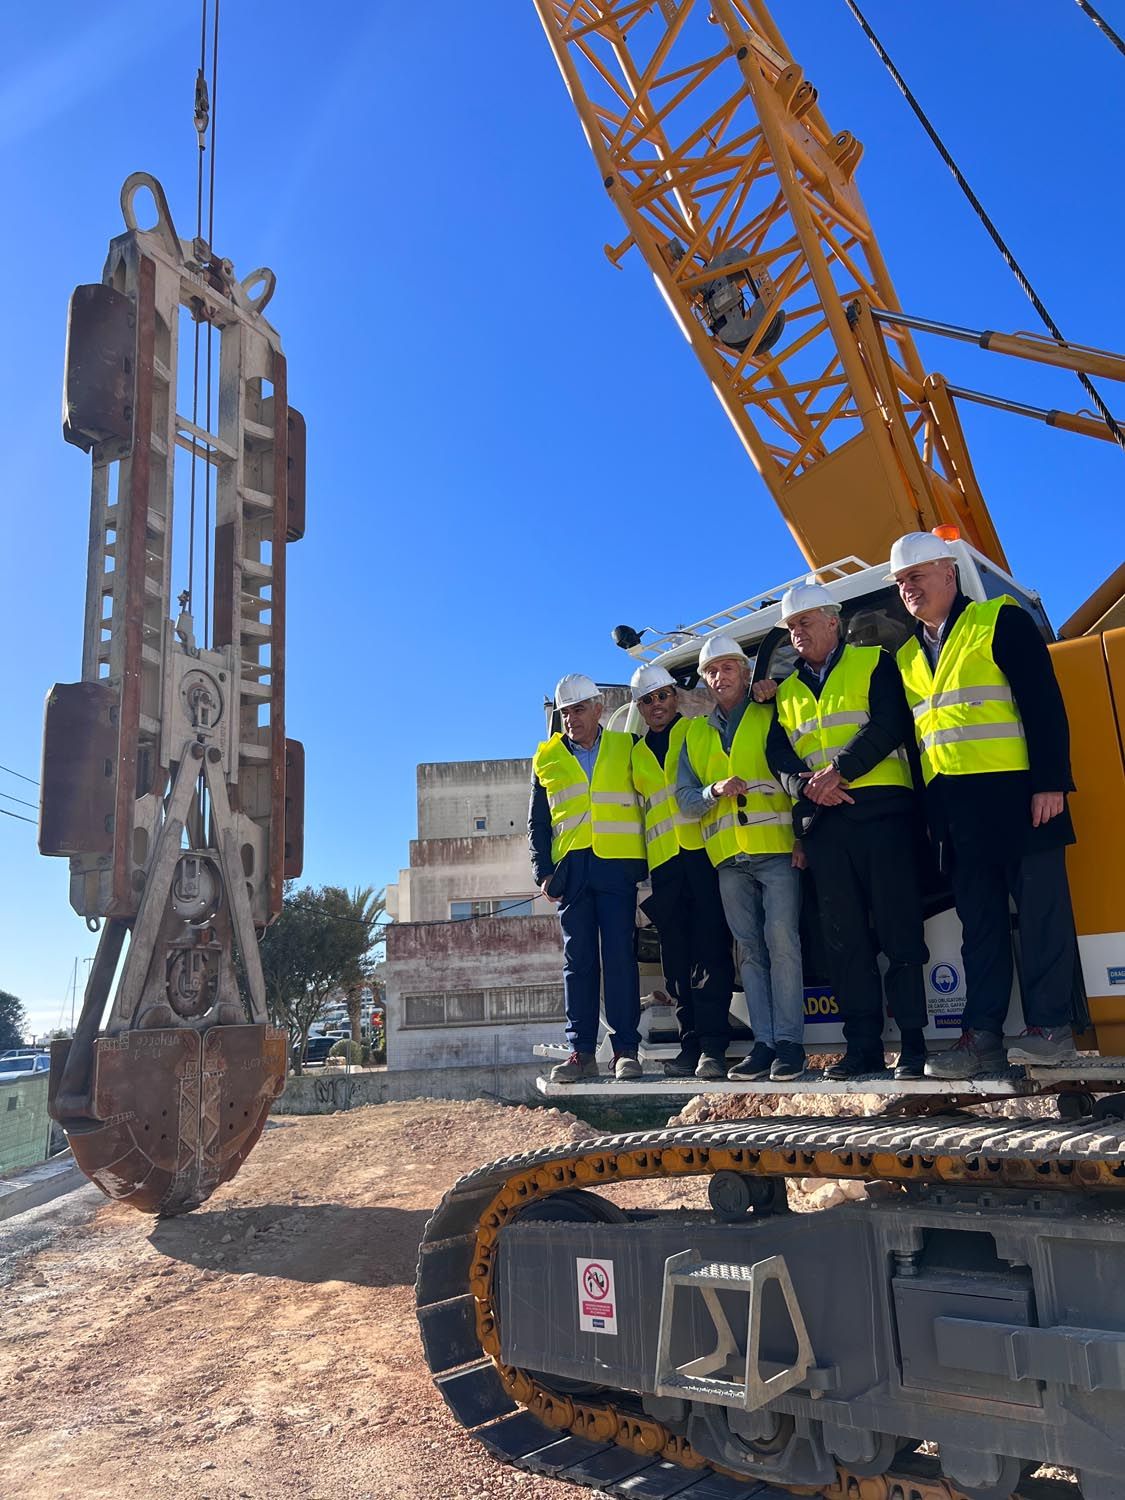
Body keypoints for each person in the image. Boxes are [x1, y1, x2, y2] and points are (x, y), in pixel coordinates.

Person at [888, 531, 1081, 1078]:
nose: (908, 589)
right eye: (902, 582)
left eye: (916, 577)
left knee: (1043, 916)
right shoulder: (905, 656)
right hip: (958, 814)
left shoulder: (999, 620)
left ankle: (1050, 1027)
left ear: (948, 573)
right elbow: (921, 744)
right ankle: (983, 1037)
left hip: (1023, 799)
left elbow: (1044, 704)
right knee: (981, 929)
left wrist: (1050, 783)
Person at [767, 582, 929, 1080]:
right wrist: (806, 786)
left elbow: (890, 724)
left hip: (880, 812)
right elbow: (779, 755)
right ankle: (862, 1048)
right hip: (826, 825)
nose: (797, 633)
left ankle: (915, 1045)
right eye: (791, 627)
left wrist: (840, 770)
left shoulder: (873, 662)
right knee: (845, 941)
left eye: (805, 622)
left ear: (833, 621)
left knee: (899, 932)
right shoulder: (787, 691)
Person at [675, 635, 806, 1082]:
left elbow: (798, 759)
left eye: (728, 667)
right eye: (712, 671)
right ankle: (765, 1044)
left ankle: (790, 1043)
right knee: (750, 953)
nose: (720, 676)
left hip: (775, 849)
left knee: (783, 944)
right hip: (729, 859)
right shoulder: (695, 733)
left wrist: (802, 838)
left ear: (746, 673)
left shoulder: (772, 708)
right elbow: (686, 801)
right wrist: (714, 791)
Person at [529, 674, 647, 1083]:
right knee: (577, 962)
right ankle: (581, 1052)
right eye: (565, 713)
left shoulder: (627, 746)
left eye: (579, 710)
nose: (571, 719)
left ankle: (625, 1051)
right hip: (572, 872)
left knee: (619, 957)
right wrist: (542, 872)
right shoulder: (545, 757)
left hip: (616, 865)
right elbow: (538, 822)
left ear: (599, 709)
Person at [629, 664, 736, 1080]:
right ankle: (689, 1042)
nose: (656, 705)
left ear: (675, 697)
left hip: (701, 854)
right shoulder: (634, 752)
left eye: (662, 696)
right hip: (664, 865)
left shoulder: (697, 731)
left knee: (710, 950)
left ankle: (713, 1045)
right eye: (647, 700)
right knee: (676, 961)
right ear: (639, 707)